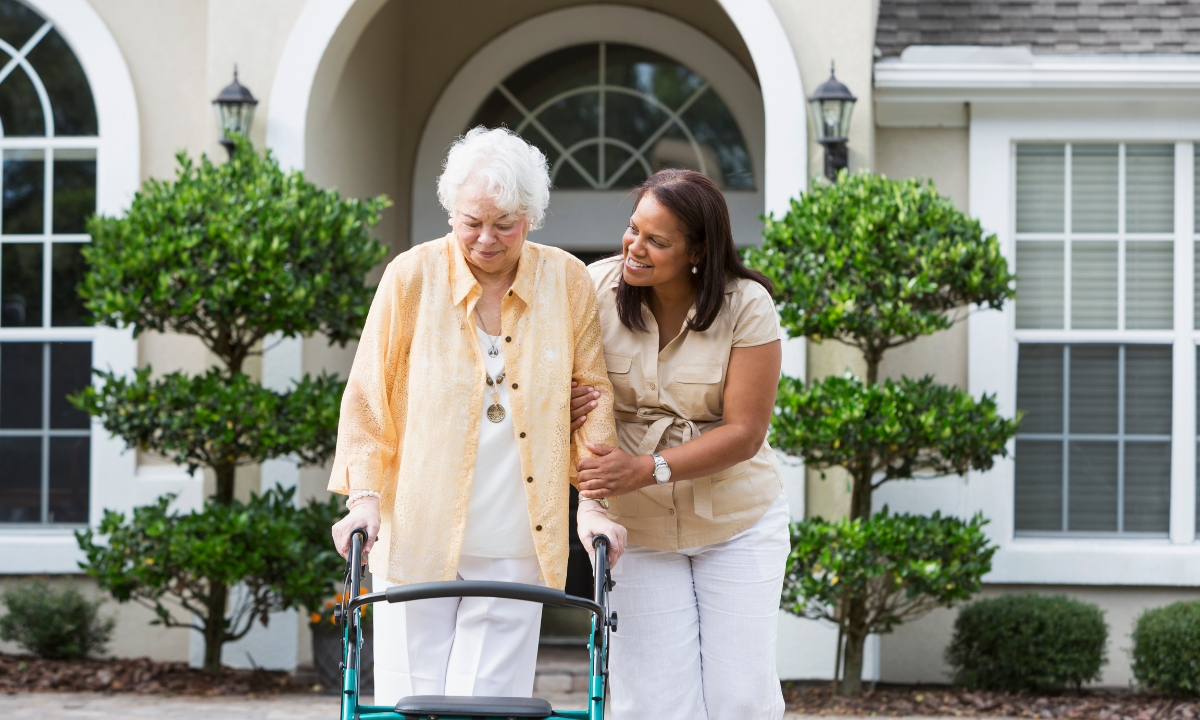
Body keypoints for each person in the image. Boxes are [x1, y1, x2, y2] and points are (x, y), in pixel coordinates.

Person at [328, 126, 626, 705]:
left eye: (504, 224)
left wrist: (593, 505)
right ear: (451, 212)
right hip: (416, 531)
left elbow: (593, 395)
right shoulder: (410, 277)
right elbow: (368, 396)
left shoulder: (565, 280)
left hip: (517, 540)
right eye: (471, 222)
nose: (486, 239)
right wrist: (363, 495)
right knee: (409, 705)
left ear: (531, 217)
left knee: (488, 708)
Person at [572, 168, 788, 719]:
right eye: (633, 228)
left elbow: (744, 433)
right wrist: (560, 405)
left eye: (656, 240)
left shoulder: (748, 304)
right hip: (636, 528)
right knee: (652, 703)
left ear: (697, 250)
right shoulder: (593, 290)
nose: (634, 248)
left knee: (740, 699)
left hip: (737, 523)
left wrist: (647, 468)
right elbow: (551, 382)